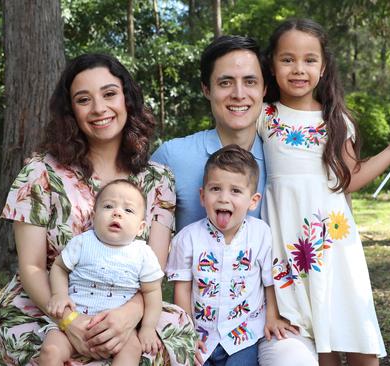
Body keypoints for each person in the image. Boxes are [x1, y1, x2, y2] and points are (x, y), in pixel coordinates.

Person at [0, 53, 196, 366]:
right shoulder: (40, 174)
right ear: (70, 111)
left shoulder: (159, 179)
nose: (99, 108)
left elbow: (152, 272)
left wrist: (127, 317)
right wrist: (69, 322)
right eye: (83, 99)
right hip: (50, 305)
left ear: (127, 100)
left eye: (109, 94)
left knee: (170, 332)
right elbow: (32, 268)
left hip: (128, 303)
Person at [257, 19, 390, 366]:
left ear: (323, 68)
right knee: (317, 342)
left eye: (309, 60)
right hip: (290, 243)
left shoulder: (336, 119)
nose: (298, 69)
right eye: (287, 59)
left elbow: (350, 178)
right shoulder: (264, 116)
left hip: (335, 243)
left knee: (354, 333)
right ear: (272, 65)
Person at [166, 145, 295, 366]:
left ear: (253, 201)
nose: (224, 198)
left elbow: (269, 280)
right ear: (202, 195)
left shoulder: (260, 233)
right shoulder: (188, 238)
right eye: (215, 188)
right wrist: (187, 331)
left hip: (243, 334)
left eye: (235, 191)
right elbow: (183, 288)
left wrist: (273, 317)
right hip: (201, 336)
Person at [40, 179, 164, 365]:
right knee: (51, 351)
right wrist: (59, 295)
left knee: (133, 348)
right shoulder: (82, 243)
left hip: (120, 330)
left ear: (141, 228)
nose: (117, 213)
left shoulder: (143, 253)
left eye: (128, 210)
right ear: (94, 215)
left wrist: (147, 327)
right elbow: (59, 268)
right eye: (108, 206)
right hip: (74, 320)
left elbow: (152, 291)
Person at [151, 35, 268, 232]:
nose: (239, 94)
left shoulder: (282, 159)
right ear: (206, 89)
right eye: (225, 83)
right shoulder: (171, 158)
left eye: (250, 82)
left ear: (264, 89)